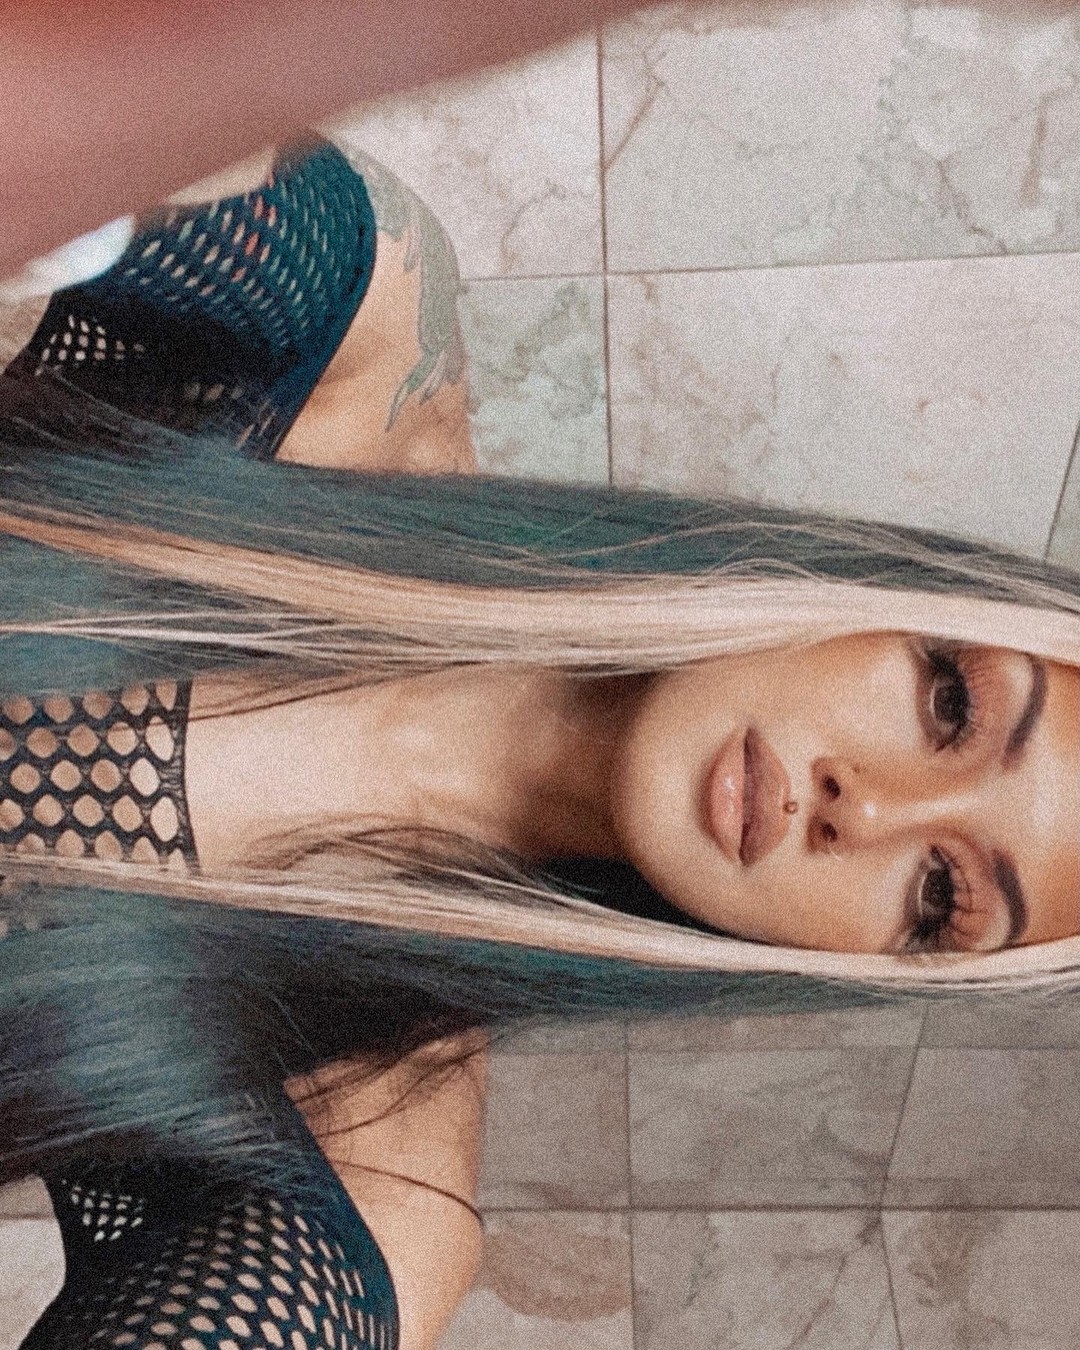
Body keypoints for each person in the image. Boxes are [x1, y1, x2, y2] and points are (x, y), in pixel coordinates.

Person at [0, 138, 1078, 1350]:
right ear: (895, 596)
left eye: (937, 897)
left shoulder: (371, 1210)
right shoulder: (357, 328)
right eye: (951, 706)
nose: (864, 811)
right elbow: (69, 119)